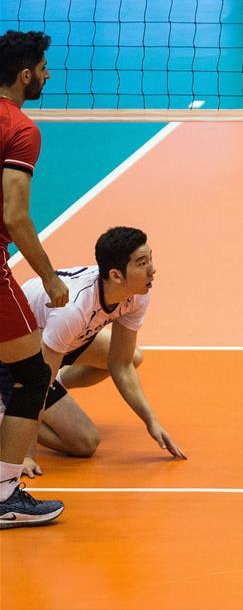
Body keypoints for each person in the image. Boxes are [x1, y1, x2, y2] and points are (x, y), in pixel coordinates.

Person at [0, 227, 187, 476]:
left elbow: (120, 363)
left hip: (56, 342)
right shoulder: (73, 310)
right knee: (84, 442)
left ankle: (55, 382)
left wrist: (150, 420)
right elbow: (38, 388)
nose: (152, 269)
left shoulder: (136, 294)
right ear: (116, 275)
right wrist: (25, 455)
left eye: (150, 259)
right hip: (14, 354)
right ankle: (6, 415)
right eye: (142, 263)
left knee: (133, 356)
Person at [0, 30, 67, 528]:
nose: (47, 75)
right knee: (32, 377)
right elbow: (15, 215)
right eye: (43, 68)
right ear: (25, 75)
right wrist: (50, 278)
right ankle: (4, 495)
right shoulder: (21, 129)